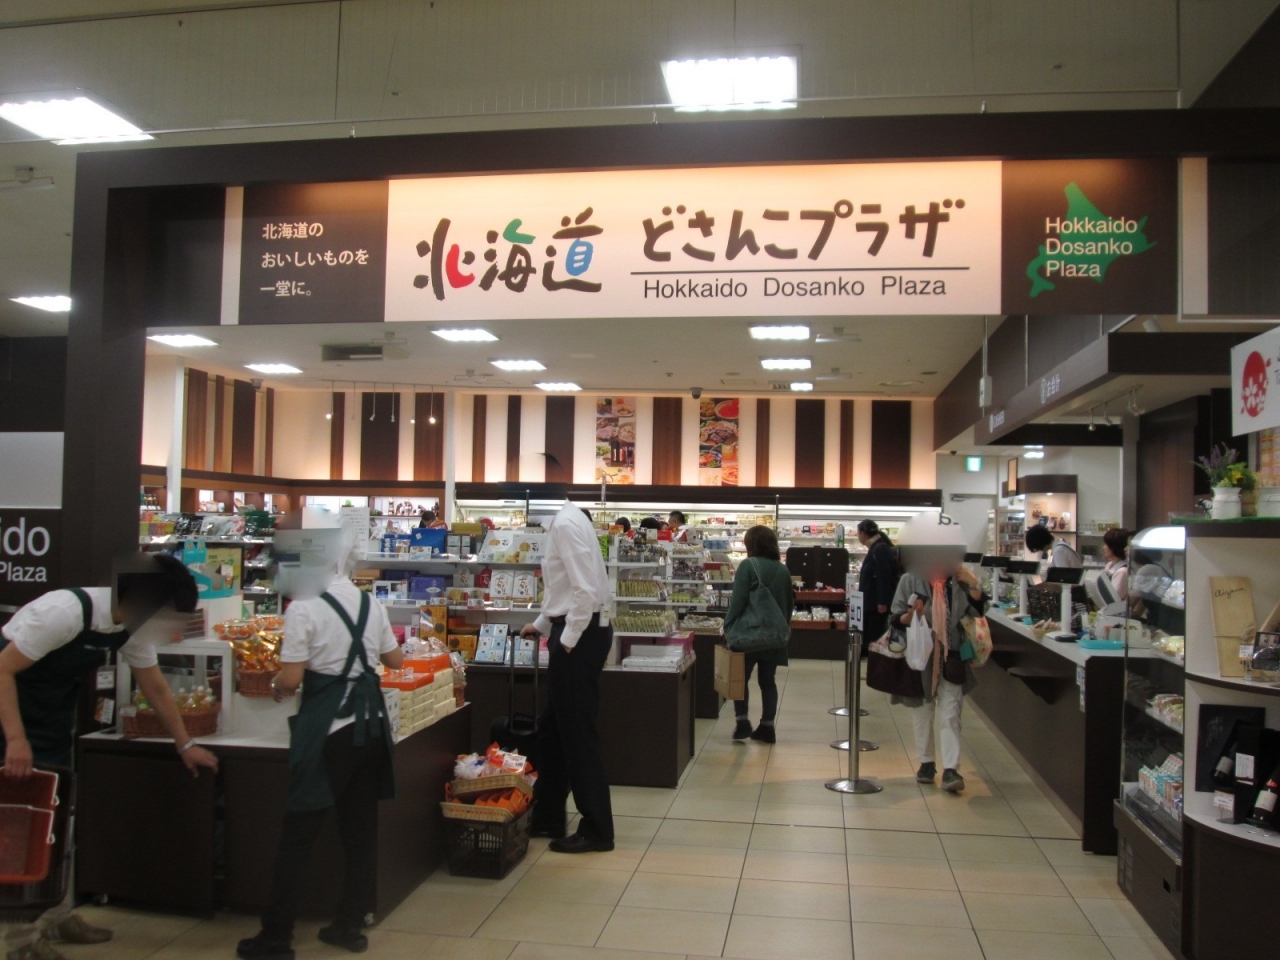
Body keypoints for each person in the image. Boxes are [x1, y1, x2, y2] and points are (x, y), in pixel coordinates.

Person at [0, 554, 220, 960]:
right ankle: (20, 943)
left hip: (52, 720)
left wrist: (185, 745)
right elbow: (2, 671)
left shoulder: (130, 628)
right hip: (10, 717)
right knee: (20, 833)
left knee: (60, 823)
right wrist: (15, 739)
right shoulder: (64, 612)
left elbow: (155, 687)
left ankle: (57, 916)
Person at [237, 543, 402, 960]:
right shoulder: (369, 603)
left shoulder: (304, 608)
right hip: (370, 727)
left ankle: (276, 937)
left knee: (298, 836)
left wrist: (275, 685)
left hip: (330, 729)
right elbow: (395, 659)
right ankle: (350, 925)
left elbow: (291, 679)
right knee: (359, 832)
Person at [521, 502, 614, 854]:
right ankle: (548, 815)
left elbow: (584, 590)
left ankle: (597, 829)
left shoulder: (563, 525)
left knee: (577, 734)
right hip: (578, 631)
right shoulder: (569, 520)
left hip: (581, 635)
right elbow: (564, 587)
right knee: (553, 730)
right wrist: (542, 624)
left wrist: (568, 639)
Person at [889, 561, 987, 794]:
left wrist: (975, 586)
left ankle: (951, 769)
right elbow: (894, 618)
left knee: (951, 712)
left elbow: (978, 611)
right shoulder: (910, 579)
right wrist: (910, 616)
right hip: (920, 656)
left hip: (952, 655)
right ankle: (926, 762)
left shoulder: (960, 579)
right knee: (922, 711)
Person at [725, 526, 794, 744]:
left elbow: (738, 601)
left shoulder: (748, 566)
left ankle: (742, 722)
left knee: (740, 679)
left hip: (748, 635)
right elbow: (788, 604)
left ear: (751, 544)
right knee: (768, 681)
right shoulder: (783, 570)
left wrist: (728, 625)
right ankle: (767, 726)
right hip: (773, 636)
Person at [856, 519, 899, 644]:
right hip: (872, 603)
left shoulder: (879, 549)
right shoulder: (876, 547)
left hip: (875, 606)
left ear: (863, 534)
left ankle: (874, 656)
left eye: (858, 533)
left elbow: (884, 576)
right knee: (871, 636)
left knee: (875, 637)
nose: (858, 536)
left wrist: (882, 602)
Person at [1102, 527, 1130, 601]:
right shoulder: (1109, 565)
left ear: (1114, 547)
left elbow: (1113, 598)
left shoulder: (1122, 571)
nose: (1103, 547)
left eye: (1106, 544)